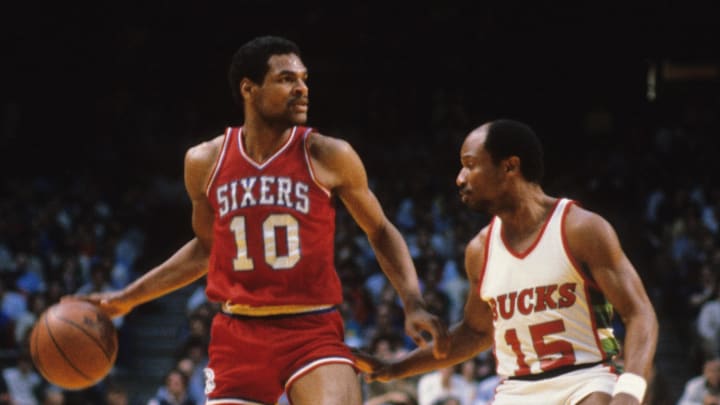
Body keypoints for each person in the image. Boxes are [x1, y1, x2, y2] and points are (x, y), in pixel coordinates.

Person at [74, 35, 449, 405]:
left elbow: (380, 230)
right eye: (287, 79)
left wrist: (412, 301)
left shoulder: (328, 154)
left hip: (312, 327)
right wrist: (127, 298)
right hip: (237, 335)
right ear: (248, 88)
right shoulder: (205, 162)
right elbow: (207, 249)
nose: (302, 89)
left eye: (304, 79)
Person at [356, 120, 658, 405]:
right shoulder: (480, 249)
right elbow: (476, 333)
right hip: (517, 388)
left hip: (587, 379)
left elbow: (639, 313)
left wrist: (630, 391)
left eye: (470, 165)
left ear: (510, 166)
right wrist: (393, 368)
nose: (459, 178)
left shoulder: (581, 229)